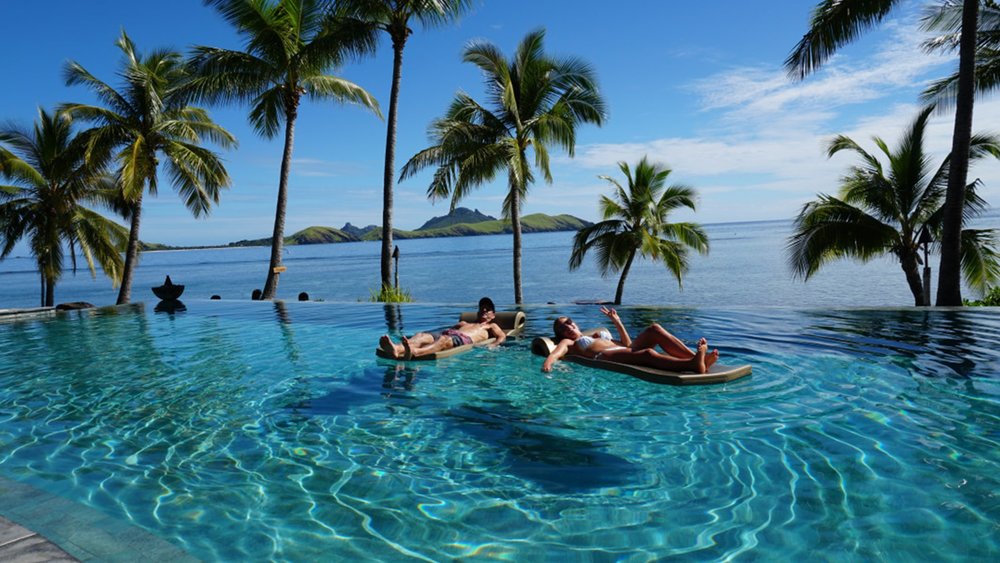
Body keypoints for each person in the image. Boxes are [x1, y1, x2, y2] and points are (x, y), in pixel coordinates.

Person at [541, 306, 719, 373]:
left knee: (654, 329)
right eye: (563, 328)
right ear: (562, 335)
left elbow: (627, 344)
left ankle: (697, 359)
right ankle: (692, 365)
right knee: (647, 354)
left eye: (569, 322)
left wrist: (617, 322)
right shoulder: (569, 343)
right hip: (606, 356)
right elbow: (556, 353)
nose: (568, 327)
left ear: (575, 323)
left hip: (622, 349)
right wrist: (547, 364)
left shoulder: (594, 333)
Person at [379, 297, 507, 360]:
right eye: (482, 308)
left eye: (488, 309)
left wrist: (494, 345)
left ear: (493, 315)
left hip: (463, 339)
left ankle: (415, 352)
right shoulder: (464, 323)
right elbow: (447, 330)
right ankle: (397, 349)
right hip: (448, 333)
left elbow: (502, 336)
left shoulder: (491, 326)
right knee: (421, 335)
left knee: (444, 340)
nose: (484, 310)